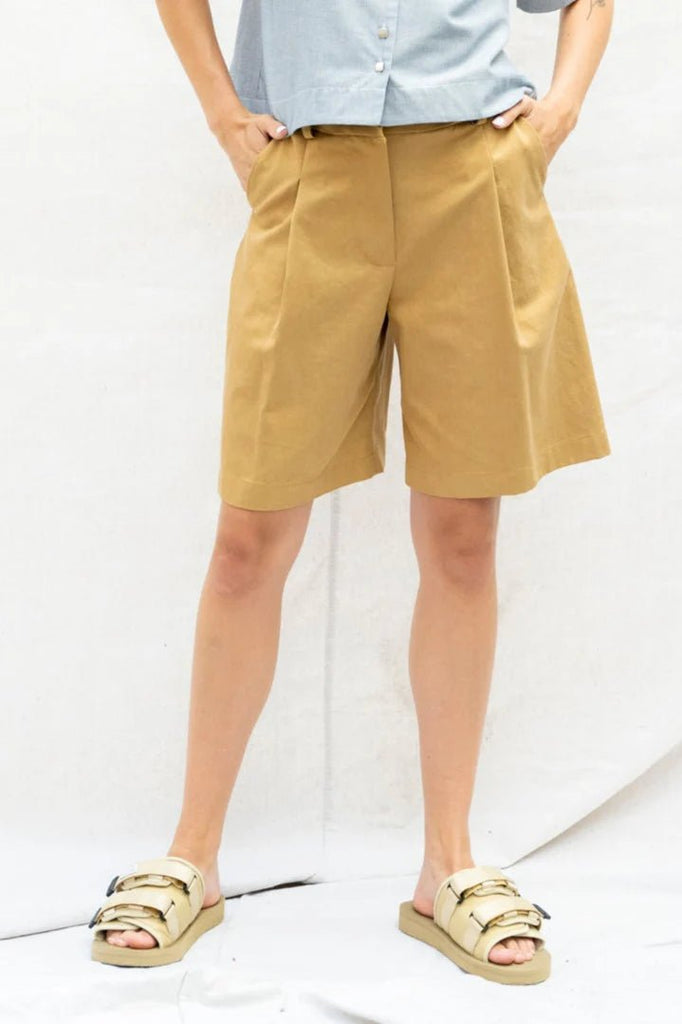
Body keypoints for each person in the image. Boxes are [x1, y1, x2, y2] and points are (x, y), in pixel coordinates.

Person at [88, 0, 614, 985]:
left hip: (473, 174)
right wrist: (223, 113)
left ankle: (447, 866)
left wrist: (561, 109)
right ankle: (191, 856)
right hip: (312, 172)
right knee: (249, 533)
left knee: (463, 534)